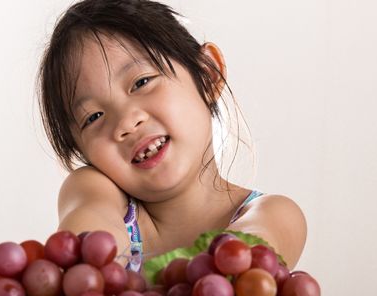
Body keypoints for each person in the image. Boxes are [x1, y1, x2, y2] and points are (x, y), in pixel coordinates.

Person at [36, 0, 306, 272]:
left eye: (141, 82)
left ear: (207, 74)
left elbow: (239, 264)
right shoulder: (92, 191)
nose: (126, 123)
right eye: (93, 117)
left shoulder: (273, 214)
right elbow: (89, 240)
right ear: (83, 152)